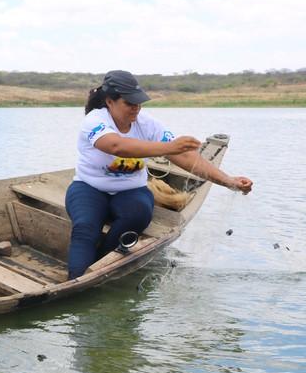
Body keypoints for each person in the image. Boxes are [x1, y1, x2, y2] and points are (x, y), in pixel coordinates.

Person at [65, 69, 253, 280]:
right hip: (89, 188)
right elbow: (116, 146)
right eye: (129, 103)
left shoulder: (147, 123)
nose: (136, 108)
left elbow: (187, 158)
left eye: (139, 102)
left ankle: (96, 270)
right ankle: (75, 280)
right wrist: (168, 148)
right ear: (110, 101)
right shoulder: (95, 120)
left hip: (130, 191)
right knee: (85, 228)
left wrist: (228, 181)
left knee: (138, 215)